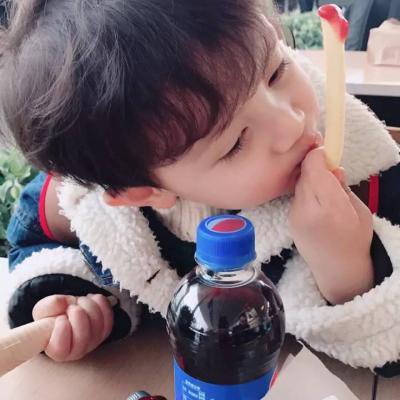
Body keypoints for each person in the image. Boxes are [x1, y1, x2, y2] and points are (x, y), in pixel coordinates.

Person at [1, 0, 400, 376]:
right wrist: (70, 300)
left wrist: (348, 269)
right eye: (236, 142)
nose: (291, 122)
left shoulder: (365, 173)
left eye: (277, 72)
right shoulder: (86, 202)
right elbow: (35, 241)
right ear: (143, 191)